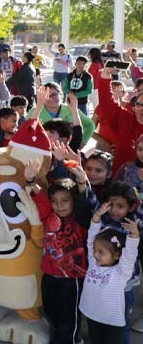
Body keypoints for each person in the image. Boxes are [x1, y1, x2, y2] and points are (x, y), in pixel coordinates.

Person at [80, 202, 139, 344]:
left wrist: (135, 234)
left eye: (101, 252)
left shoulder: (121, 273)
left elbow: (130, 255)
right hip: (93, 317)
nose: (95, 254)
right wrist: (97, 216)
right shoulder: (93, 263)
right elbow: (90, 240)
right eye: (95, 250)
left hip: (112, 323)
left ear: (117, 255)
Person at [40, 178, 90, 344]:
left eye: (65, 200)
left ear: (74, 201)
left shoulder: (81, 220)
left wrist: (81, 181)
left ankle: (70, 341)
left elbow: (85, 202)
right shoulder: (48, 216)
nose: (59, 205)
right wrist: (31, 180)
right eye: (54, 201)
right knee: (51, 313)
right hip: (49, 276)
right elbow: (40, 198)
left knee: (69, 318)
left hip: (71, 279)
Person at [97, 67, 143, 175]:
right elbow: (107, 103)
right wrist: (105, 75)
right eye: (139, 105)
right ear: (134, 107)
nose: (142, 109)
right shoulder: (125, 119)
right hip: (121, 181)